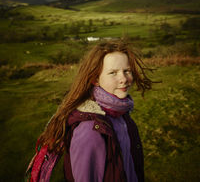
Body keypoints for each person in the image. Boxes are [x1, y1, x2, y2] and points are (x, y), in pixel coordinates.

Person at [27, 41, 153, 182]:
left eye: (127, 71)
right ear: (95, 79)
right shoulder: (90, 130)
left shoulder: (120, 114)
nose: (124, 79)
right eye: (113, 73)